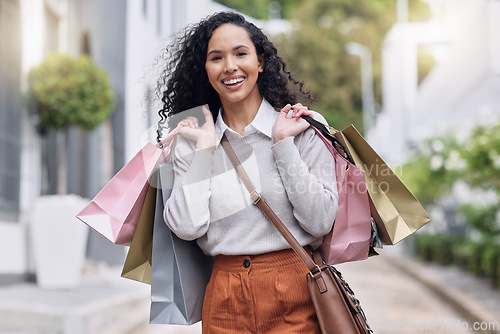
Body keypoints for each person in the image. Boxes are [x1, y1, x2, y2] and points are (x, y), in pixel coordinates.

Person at [157, 11, 338, 333]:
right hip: (224, 296)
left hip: (296, 286)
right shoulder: (192, 140)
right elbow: (186, 226)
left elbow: (320, 221)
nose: (230, 66)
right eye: (216, 58)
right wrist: (205, 151)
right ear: (206, 71)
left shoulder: (303, 128)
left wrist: (282, 144)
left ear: (261, 62)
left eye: (241, 54)